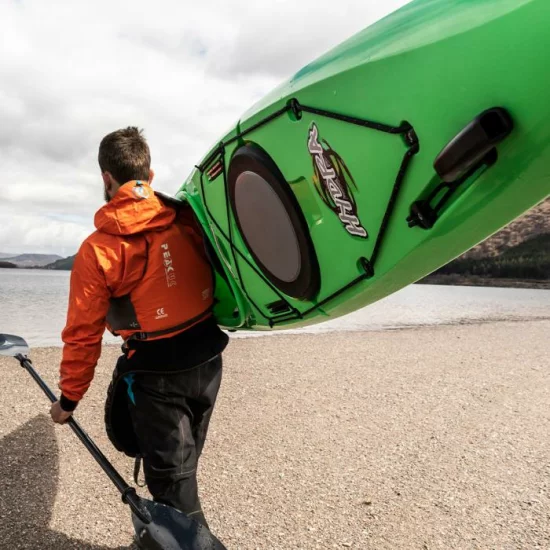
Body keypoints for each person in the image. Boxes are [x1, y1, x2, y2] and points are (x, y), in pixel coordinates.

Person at [50, 127, 229, 528]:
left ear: (106, 178)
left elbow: (83, 335)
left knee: (173, 486)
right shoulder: (188, 218)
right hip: (209, 360)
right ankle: (165, 528)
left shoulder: (98, 250)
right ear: (149, 176)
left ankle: (186, 535)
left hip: (158, 376)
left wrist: (68, 400)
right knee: (183, 465)